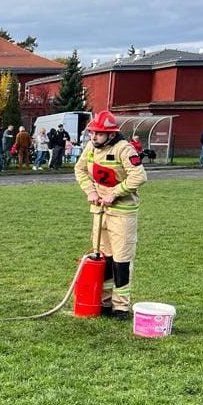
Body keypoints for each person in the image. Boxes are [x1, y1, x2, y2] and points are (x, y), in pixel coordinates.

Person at [74, 110, 148, 321]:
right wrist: (90, 191)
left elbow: (139, 176)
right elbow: (79, 170)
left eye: (98, 133)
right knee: (103, 258)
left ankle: (121, 306)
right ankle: (104, 301)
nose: (93, 137)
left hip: (122, 213)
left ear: (111, 134)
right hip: (99, 212)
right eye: (92, 133)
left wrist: (115, 193)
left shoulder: (124, 149)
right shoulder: (91, 147)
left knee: (121, 260)